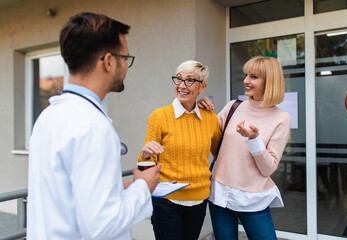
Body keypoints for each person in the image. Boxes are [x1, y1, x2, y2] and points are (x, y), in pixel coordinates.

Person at [27, 12, 161, 240]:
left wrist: (115, 191)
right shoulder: (93, 126)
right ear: (109, 61)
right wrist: (143, 188)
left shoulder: (48, 116)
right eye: (125, 58)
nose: (127, 67)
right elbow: (102, 226)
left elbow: (65, 197)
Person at [199, 56, 291, 240]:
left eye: (254, 77)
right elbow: (206, 138)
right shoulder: (233, 106)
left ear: (270, 82)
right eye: (246, 75)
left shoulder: (281, 118)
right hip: (220, 197)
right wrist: (199, 110)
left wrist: (254, 140)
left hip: (253, 200)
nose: (246, 81)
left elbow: (268, 169)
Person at [138, 60, 222, 240]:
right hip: (166, 202)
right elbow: (146, 164)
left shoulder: (210, 119)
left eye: (190, 80)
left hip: (198, 201)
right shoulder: (159, 116)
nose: (182, 85)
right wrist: (144, 155)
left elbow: (221, 155)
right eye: (178, 79)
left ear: (202, 87)